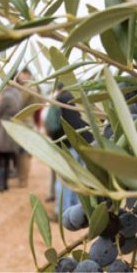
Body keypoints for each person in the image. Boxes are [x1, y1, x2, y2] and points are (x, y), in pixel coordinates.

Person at [48, 83, 94, 222]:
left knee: (65, 179)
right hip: (86, 142)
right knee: (79, 178)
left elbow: (51, 123)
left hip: (68, 144)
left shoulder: (58, 100)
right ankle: (76, 210)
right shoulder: (78, 98)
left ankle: (60, 212)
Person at [0, 85, 23, 192]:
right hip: (12, 128)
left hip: (3, 130)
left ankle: (1, 184)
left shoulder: (6, 96)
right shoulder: (18, 94)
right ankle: (5, 183)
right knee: (7, 159)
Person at [15, 68, 42, 188]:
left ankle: (23, 180)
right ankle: (23, 179)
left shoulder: (27, 87)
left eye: (20, 74)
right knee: (25, 153)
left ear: (26, 74)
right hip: (29, 122)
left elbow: (19, 103)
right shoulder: (35, 86)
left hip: (24, 122)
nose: (18, 76)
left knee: (23, 154)